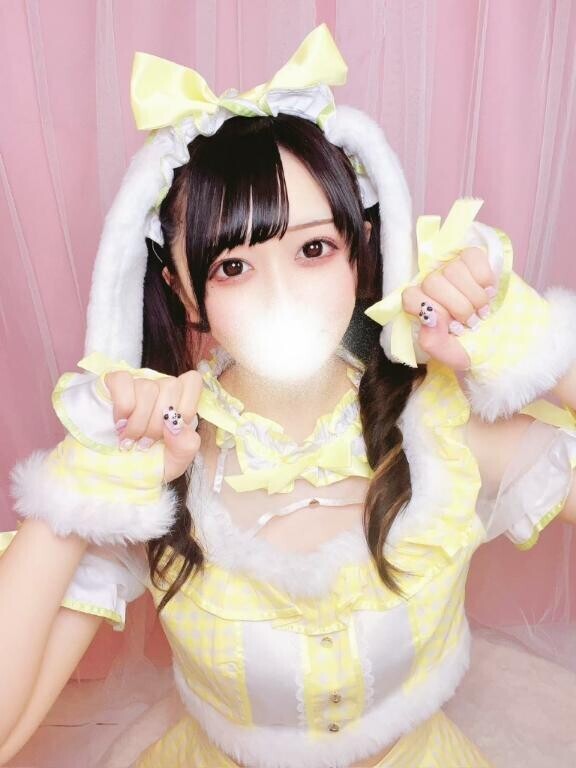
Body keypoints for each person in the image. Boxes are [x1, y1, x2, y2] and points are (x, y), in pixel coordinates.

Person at [1, 23, 576, 768]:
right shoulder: (157, 462)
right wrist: (81, 486)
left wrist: (539, 348)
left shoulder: (436, 427)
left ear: (359, 253)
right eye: (233, 266)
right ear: (182, 292)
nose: (284, 296)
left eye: (313, 249)